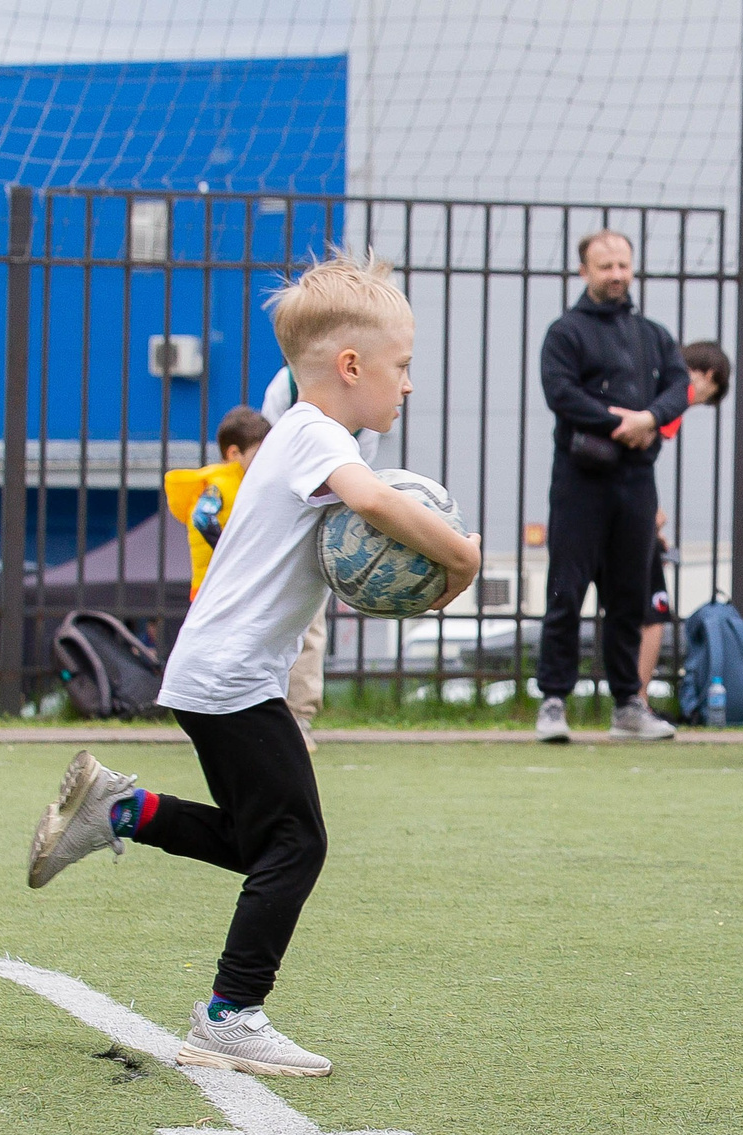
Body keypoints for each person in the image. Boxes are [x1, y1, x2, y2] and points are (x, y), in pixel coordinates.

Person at [23, 254, 479, 1076]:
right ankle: (230, 1015)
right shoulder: (313, 434)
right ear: (351, 366)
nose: (409, 384)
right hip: (230, 678)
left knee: (256, 840)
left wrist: (431, 573)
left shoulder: (309, 435)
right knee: (298, 842)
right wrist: (462, 557)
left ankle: (121, 809)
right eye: (402, 366)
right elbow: (376, 503)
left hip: (222, 674)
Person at [535, 229, 690, 744]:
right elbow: (560, 392)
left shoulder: (653, 334)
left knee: (629, 595)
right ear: (584, 272)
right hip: (579, 481)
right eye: (606, 266)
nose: (617, 275)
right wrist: (618, 422)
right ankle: (553, 701)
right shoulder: (566, 332)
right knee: (566, 589)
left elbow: (679, 386)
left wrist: (650, 418)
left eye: (623, 264)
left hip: (637, 481)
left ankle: (628, 704)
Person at [264, 364, 385, 745]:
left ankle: (298, 715)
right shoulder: (285, 386)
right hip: (284, 509)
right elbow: (271, 451)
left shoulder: (365, 417)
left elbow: (360, 481)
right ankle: (261, 709)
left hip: (325, 512)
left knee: (310, 621)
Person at [637, 340, 732, 702]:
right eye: (707, 397)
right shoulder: (669, 401)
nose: (694, 404)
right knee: (653, 614)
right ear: (708, 376)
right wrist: (648, 513)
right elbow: (638, 457)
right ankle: (638, 700)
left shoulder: (646, 385)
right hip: (629, 512)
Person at [163, 406, 269, 602]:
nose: (265, 461)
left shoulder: (240, 484)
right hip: (213, 588)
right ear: (234, 453)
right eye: (258, 455)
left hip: (224, 585)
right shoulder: (219, 485)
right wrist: (231, 552)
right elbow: (202, 518)